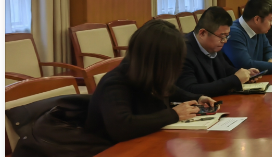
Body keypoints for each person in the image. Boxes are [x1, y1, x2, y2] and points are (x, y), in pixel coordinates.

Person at [86, 20, 218, 143]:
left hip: (144, 143)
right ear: (158, 60)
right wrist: (174, 114)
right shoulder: (115, 83)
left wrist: (197, 98)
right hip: (107, 152)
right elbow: (122, 126)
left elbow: (169, 89)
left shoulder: (144, 71)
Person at [176, 7, 263, 97]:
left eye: (227, 36)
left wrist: (245, 75)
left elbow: (226, 69)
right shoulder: (182, 51)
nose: (225, 41)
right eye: (222, 36)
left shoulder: (214, 46)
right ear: (202, 33)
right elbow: (190, 90)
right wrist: (235, 80)